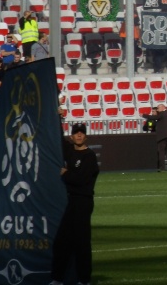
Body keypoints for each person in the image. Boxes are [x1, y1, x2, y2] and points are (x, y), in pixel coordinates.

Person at [50, 122, 100, 285]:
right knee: (62, 241)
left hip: (83, 202)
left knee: (81, 242)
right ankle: (57, 278)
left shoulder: (89, 156)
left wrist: (66, 174)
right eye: (76, 132)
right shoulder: (70, 151)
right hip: (72, 201)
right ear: (71, 136)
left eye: (81, 133)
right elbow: (58, 136)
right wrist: (58, 116)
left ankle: (84, 280)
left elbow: (82, 180)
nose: (79, 135)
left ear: (86, 136)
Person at [142, 104, 167, 171]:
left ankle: (162, 167)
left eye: (158, 108)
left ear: (162, 108)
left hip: (162, 136)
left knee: (161, 151)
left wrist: (144, 115)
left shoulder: (162, 114)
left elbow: (154, 117)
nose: (157, 110)